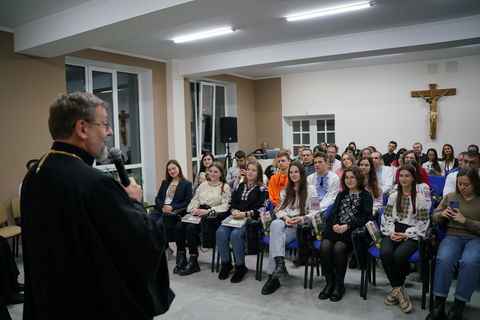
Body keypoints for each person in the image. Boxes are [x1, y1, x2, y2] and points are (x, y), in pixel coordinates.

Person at [21, 92, 174, 319]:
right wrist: (133, 201)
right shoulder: (94, 183)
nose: (110, 132)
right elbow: (142, 241)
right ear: (82, 128)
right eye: (105, 124)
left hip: (51, 296)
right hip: (90, 300)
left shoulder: (36, 173)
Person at [427, 167, 480, 320]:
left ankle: (458, 305)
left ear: (475, 184)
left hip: (475, 238)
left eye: (466, 185)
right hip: (453, 235)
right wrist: (442, 215)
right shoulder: (451, 196)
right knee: (444, 259)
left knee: (470, 262)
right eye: (460, 184)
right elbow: (435, 216)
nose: (462, 188)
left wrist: (466, 221)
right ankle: (439, 304)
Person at [261, 161, 320, 295]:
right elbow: (279, 210)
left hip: (300, 226)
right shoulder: (285, 190)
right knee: (276, 224)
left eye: (296, 172)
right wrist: (286, 218)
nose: (293, 175)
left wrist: (301, 218)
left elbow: (316, 211)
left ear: (302, 173)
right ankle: (279, 266)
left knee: (274, 241)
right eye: (291, 172)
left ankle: (273, 277)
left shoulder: (311, 190)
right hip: (286, 223)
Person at [380, 164, 431, 314]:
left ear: (413, 178)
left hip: (411, 233)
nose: (403, 179)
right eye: (401, 176)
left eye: (407, 176)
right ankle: (399, 289)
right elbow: (387, 217)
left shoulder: (420, 198)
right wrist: (390, 232)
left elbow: (423, 223)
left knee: (400, 255)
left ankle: (396, 289)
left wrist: (407, 234)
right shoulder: (394, 196)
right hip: (394, 229)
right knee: (385, 253)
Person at [318, 166, 372, 302]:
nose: (349, 180)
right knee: (325, 245)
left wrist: (347, 226)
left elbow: (366, 218)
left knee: (339, 247)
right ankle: (329, 282)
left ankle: (339, 285)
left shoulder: (366, 196)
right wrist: (336, 224)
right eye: (347, 177)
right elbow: (333, 213)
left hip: (353, 231)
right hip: (336, 227)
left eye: (352, 177)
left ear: (359, 178)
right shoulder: (341, 194)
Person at [175, 162, 231, 276]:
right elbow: (195, 199)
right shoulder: (203, 185)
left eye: (216, 172)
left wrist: (208, 211)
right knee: (179, 227)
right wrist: (193, 209)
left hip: (211, 217)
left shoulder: (225, 186)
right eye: (211, 171)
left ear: (221, 173)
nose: (213, 174)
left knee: (190, 228)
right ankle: (181, 257)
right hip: (198, 212)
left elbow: (225, 206)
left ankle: (193, 261)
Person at [216, 161, 269, 283]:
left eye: (254, 170)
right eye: (249, 169)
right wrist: (233, 210)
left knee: (235, 234)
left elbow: (262, 208)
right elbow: (231, 202)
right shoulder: (239, 186)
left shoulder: (262, 188)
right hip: (235, 218)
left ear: (258, 173)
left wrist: (245, 214)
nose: (250, 172)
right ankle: (226, 264)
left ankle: (240, 267)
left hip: (251, 220)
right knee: (220, 232)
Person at [150, 160, 193, 273]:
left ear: (179, 168)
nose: (172, 171)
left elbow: (187, 202)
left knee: (159, 224)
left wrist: (172, 207)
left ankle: (165, 249)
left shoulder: (186, 184)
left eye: (174, 168)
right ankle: (164, 248)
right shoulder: (165, 183)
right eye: (169, 170)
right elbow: (157, 198)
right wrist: (163, 206)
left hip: (174, 211)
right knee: (148, 222)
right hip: (161, 209)